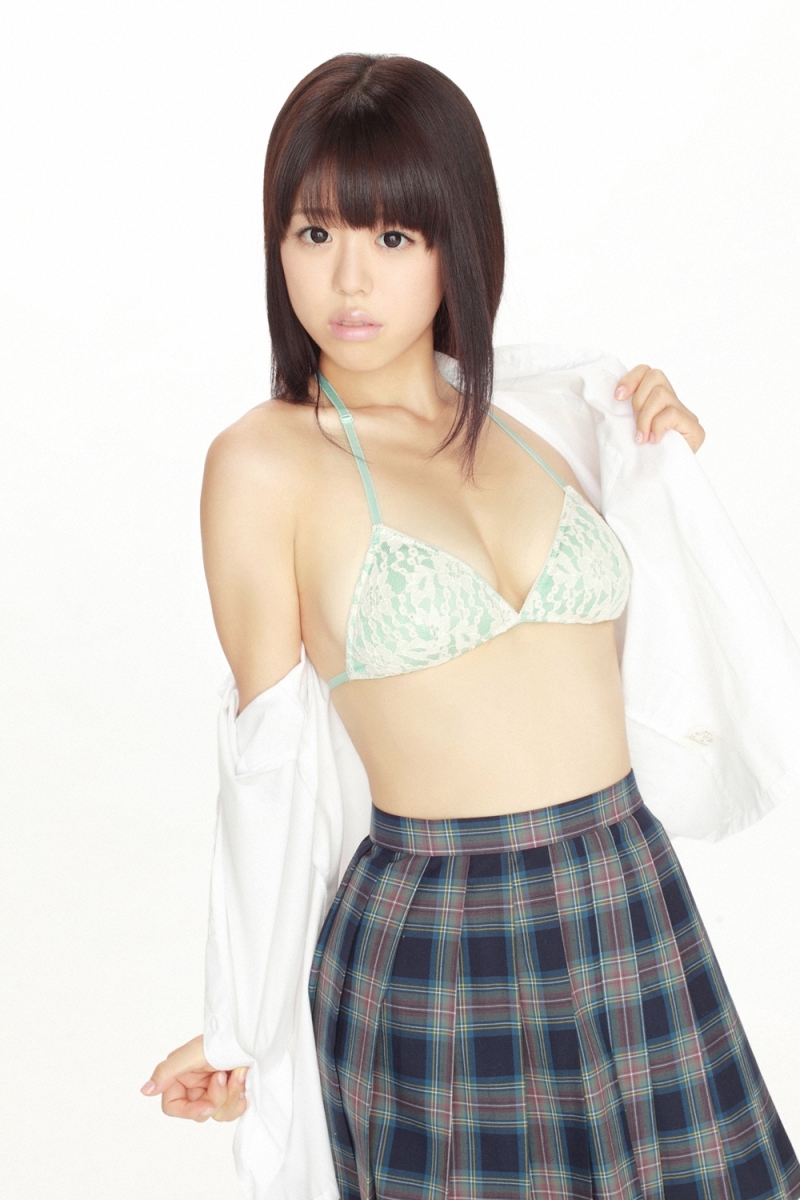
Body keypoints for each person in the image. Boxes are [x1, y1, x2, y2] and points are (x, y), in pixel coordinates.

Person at [141, 53, 800, 1200]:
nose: (348, 277)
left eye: (393, 236)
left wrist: (666, 464)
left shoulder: (558, 417)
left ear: (457, 241)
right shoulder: (264, 464)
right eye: (313, 233)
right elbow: (267, 765)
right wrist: (238, 1021)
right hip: (438, 936)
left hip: (626, 892)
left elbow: (674, 633)